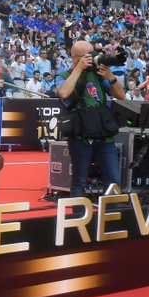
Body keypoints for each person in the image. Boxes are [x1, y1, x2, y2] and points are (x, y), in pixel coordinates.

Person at [56, 40, 125, 198]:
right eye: (88, 55)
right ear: (75, 58)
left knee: (114, 179)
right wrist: (78, 69)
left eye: (93, 54)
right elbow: (63, 93)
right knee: (80, 180)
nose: (93, 58)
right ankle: (78, 218)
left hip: (103, 133)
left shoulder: (97, 75)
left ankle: (112, 214)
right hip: (81, 134)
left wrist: (111, 77)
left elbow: (121, 96)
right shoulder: (64, 75)